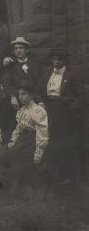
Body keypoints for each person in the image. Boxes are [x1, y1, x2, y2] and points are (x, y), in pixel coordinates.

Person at [37, 48, 89, 184]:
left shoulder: (71, 75)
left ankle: (67, 176)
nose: (57, 61)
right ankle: (51, 173)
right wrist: (41, 102)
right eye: (54, 58)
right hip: (48, 109)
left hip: (65, 112)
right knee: (48, 139)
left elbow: (84, 95)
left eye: (59, 58)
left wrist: (71, 108)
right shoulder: (47, 73)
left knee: (63, 143)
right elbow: (38, 90)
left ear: (64, 60)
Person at [0, 81, 49, 193]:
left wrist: (39, 150)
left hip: (32, 140)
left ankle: (14, 189)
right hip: (21, 139)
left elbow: (42, 132)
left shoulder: (38, 111)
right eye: (19, 95)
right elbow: (18, 128)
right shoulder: (22, 110)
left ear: (31, 95)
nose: (21, 97)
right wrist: (13, 140)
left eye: (24, 94)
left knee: (16, 156)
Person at [2, 37, 42, 111]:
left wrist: (39, 100)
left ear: (27, 50)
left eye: (21, 48)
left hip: (34, 101)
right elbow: (6, 84)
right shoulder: (10, 66)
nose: (18, 51)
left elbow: (39, 83)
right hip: (18, 101)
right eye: (16, 48)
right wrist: (13, 96)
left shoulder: (35, 64)